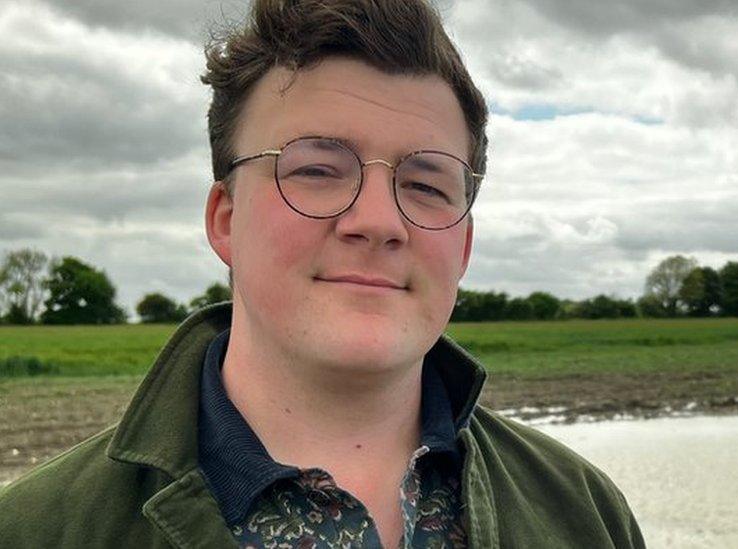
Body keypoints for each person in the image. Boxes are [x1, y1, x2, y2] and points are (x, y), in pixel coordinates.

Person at [0, 0, 645, 547]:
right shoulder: (34, 529)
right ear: (225, 219)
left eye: (426, 185)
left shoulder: (584, 512)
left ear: (465, 244)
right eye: (315, 169)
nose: (378, 220)